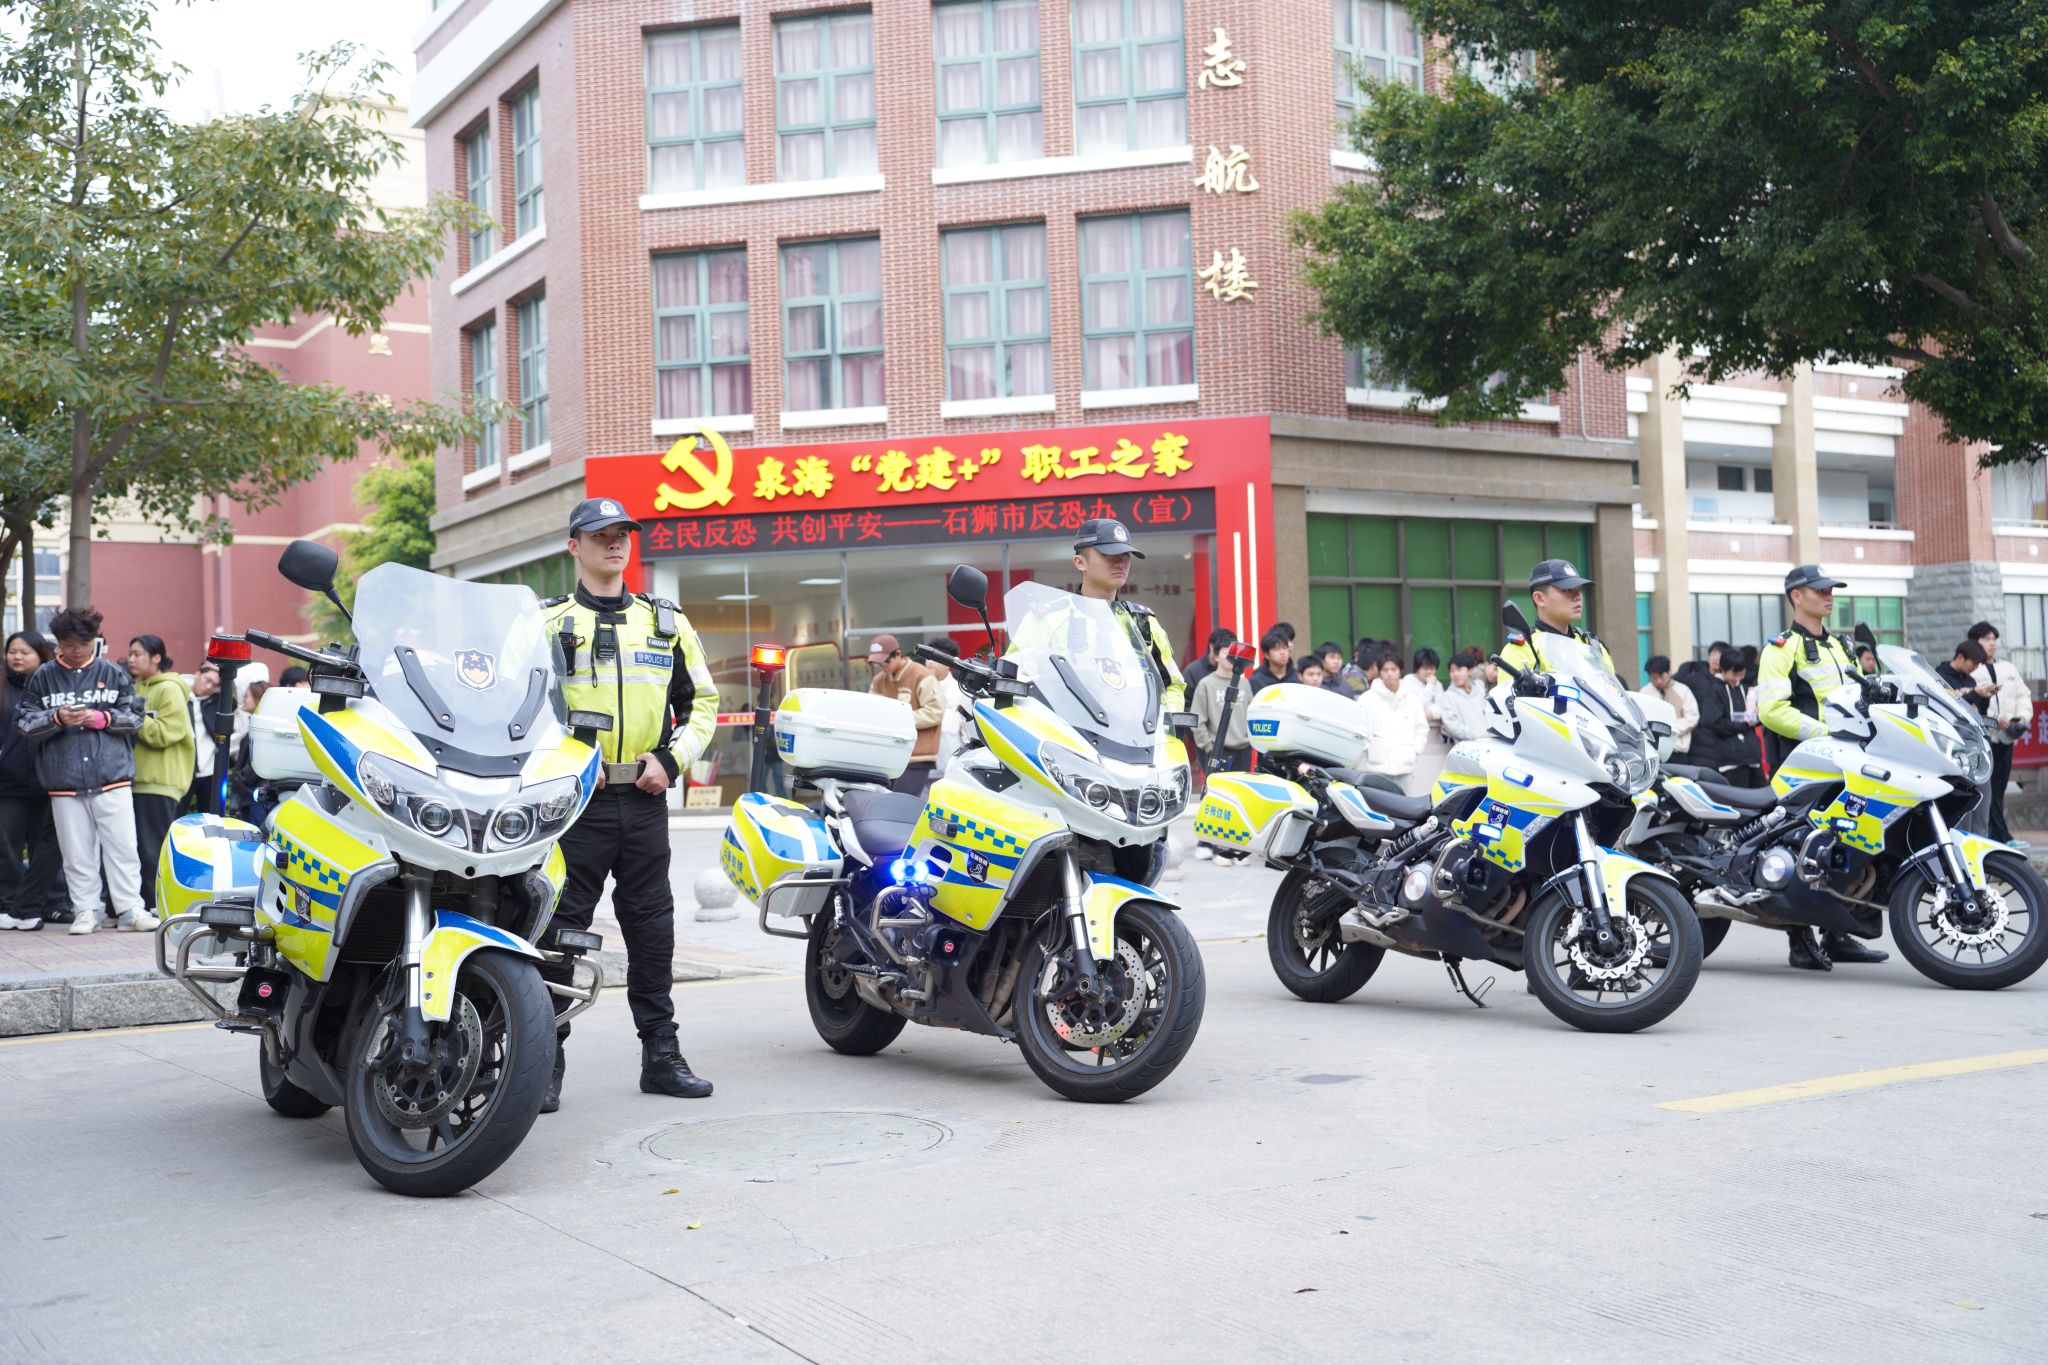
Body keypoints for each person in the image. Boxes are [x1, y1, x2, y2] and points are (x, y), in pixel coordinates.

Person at [538, 499, 720, 1111]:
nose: (614, 543)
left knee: (652, 931)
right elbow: (521, 709)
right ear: (575, 546)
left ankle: (661, 1056)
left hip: (644, 799)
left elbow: (703, 704)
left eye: (622, 534)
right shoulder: (548, 624)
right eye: (600, 535)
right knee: (559, 930)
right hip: (574, 805)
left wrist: (671, 760)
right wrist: (563, 764)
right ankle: (543, 1060)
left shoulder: (665, 623)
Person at [14, 607, 155, 936]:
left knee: (123, 847)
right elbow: (24, 723)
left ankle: (130, 909)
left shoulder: (114, 672)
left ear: (94, 640)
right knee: (76, 853)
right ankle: (86, 910)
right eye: (68, 644)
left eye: (83, 643)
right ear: (58, 643)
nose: (76, 650)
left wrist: (102, 719)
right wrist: (57, 718)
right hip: (64, 780)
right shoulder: (43, 677)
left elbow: (135, 717)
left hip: (112, 776)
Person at [0, 631, 66, 930]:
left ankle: (53, 902)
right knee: (7, 847)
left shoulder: (52, 687)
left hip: (47, 780)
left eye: (24, 652)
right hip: (8, 783)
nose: (17, 657)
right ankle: (8, 902)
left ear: (42, 656)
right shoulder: (3, 687)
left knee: (47, 846)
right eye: (12, 651)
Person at [127, 634, 194, 917]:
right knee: (138, 848)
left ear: (157, 658)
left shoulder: (169, 689)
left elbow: (165, 733)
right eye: (130, 654)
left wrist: (132, 715)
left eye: (138, 654)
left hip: (160, 781)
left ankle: (158, 904)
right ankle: (144, 904)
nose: (131, 659)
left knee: (153, 847)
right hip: (136, 781)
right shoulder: (136, 687)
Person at [1969, 622, 2031, 844]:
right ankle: (1996, 837)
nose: (1992, 643)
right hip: (1984, 740)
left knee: (2000, 788)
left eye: (1994, 639)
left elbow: (2023, 696)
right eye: (1986, 639)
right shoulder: (1972, 671)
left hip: (2007, 738)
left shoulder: (2008, 668)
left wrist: (2020, 718)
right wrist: (1996, 719)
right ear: (1974, 642)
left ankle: (2000, 836)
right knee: (1987, 791)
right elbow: (1972, 704)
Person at [1500, 558, 1615, 676]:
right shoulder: (1521, 650)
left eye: (1579, 589)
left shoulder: (1592, 646)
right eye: (1568, 590)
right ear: (1539, 598)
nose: (1578, 596)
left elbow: (1612, 687)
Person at [867, 634, 945, 797]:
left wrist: (900, 719)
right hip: (888, 756)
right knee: (887, 803)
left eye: (885, 661)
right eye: (877, 663)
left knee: (902, 803)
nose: (882, 666)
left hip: (917, 757)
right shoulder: (878, 680)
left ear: (898, 654)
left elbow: (935, 711)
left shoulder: (922, 676)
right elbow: (871, 711)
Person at [1359, 655, 1431, 795]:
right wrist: (1370, 749)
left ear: (1400, 671)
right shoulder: (1367, 699)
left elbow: (1421, 727)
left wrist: (1415, 750)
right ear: (1380, 672)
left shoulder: (1411, 698)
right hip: (1377, 767)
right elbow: (1359, 727)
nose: (1390, 673)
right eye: (1385, 670)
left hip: (1405, 766)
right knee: (1379, 805)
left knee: (1406, 805)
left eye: (1393, 669)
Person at [1696, 647, 1765, 790]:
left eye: (1742, 674)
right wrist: (1744, 725)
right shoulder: (1715, 689)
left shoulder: (1745, 689)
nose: (1738, 678)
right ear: (1723, 669)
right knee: (1739, 798)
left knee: (1761, 795)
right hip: (1730, 759)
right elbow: (1712, 722)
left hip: (1752, 755)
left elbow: (1754, 717)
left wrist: (1758, 716)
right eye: (1734, 674)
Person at [1190, 659, 1253, 773]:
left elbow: (1252, 716)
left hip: (1243, 751)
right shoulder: (1206, 684)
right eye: (1225, 653)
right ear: (1216, 656)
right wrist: (1208, 747)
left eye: (1233, 655)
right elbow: (1198, 719)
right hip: (1217, 750)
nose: (1230, 658)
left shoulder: (1244, 684)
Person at [1639, 655, 1700, 755]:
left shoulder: (1683, 690)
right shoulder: (1644, 693)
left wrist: (1670, 729)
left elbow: (1692, 717)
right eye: (1654, 678)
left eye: (1662, 676)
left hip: (1677, 750)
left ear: (1669, 671)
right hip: (1652, 750)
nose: (1659, 681)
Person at [925, 635, 967, 779]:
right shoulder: (916, 688)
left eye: (935, 658)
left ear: (948, 663)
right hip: (921, 769)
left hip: (951, 771)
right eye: (927, 657)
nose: (930, 662)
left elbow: (966, 734)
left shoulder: (960, 693)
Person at [1435, 649, 1491, 745]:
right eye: (1452, 671)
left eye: (1459, 669)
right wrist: (1475, 735)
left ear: (1470, 671)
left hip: (1489, 742)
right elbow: (1452, 725)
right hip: (1466, 748)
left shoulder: (1480, 691)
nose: (1455, 674)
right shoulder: (1447, 697)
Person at [188, 660, 223, 815]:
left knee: (209, 817)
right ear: (197, 674)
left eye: (215, 685)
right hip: (186, 768)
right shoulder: (180, 694)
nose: (209, 687)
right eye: (207, 680)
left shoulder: (216, 701)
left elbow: (238, 695)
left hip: (209, 770)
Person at [1182, 628, 1236, 693]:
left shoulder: (1232, 669)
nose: (1229, 657)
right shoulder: (1192, 671)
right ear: (1211, 646)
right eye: (1225, 652)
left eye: (1232, 652)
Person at [1248, 629, 1294, 694]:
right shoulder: (1256, 681)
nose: (1282, 652)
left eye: (1284, 648)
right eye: (1276, 649)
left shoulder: (1298, 677)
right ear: (1266, 655)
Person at [1411, 648, 1444, 714]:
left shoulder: (1438, 684)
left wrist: (1433, 713)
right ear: (1417, 668)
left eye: (1432, 668)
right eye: (1425, 668)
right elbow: (1416, 707)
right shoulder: (1408, 683)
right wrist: (1430, 686)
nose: (1429, 672)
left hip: (1436, 720)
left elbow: (1443, 707)